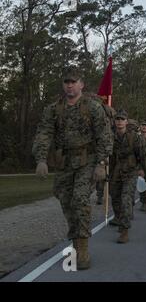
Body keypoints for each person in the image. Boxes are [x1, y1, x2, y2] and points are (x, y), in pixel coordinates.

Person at [32, 67, 112, 270]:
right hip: (64, 163)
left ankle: (82, 248)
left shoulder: (92, 107)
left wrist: (102, 163)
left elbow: (104, 135)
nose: (69, 85)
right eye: (66, 82)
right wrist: (41, 159)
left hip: (88, 161)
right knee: (66, 201)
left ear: (81, 84)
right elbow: (44, 133)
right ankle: (76, 240)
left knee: (80, 200)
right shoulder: (54, 109)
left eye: (74, 81)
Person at [108, 110, 145, 243]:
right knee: (115, 198)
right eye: (117, 119)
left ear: (126, 122)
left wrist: (141, 168)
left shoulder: (134, 137)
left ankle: (124, 230)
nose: (119, 121)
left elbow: (141, 154)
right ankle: (119, 218)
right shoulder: (110, 136)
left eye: (122, 119)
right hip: (115, 171)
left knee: (126, 199)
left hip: (130, 171)